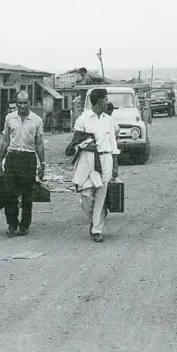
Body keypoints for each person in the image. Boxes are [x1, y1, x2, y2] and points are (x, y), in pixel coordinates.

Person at [68, 88, 119, 243]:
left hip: (106, 159)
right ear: (99, 101)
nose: (108, 103)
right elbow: (75, 143)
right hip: (88, 160)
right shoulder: (83, 119)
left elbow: (113, 144)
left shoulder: (108, 120)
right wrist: (84, 145)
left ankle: (97, 228)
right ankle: (97, 217)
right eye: (106, 100)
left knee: (101, 195)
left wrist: (115, 166)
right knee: (86, 196)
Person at [0, 90, 45, 237]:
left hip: (28, 158)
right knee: (9, 193)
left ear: (30, 102)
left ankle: (24, 225)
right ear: (16, 103)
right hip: (12, 157)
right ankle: (12, 224)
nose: (22, 106)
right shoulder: (9, 118)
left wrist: (42, 163)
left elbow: (39, 143)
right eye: (20, 103)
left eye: (25, 103)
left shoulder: (36, 120)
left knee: (27, 194)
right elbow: (5, 141)